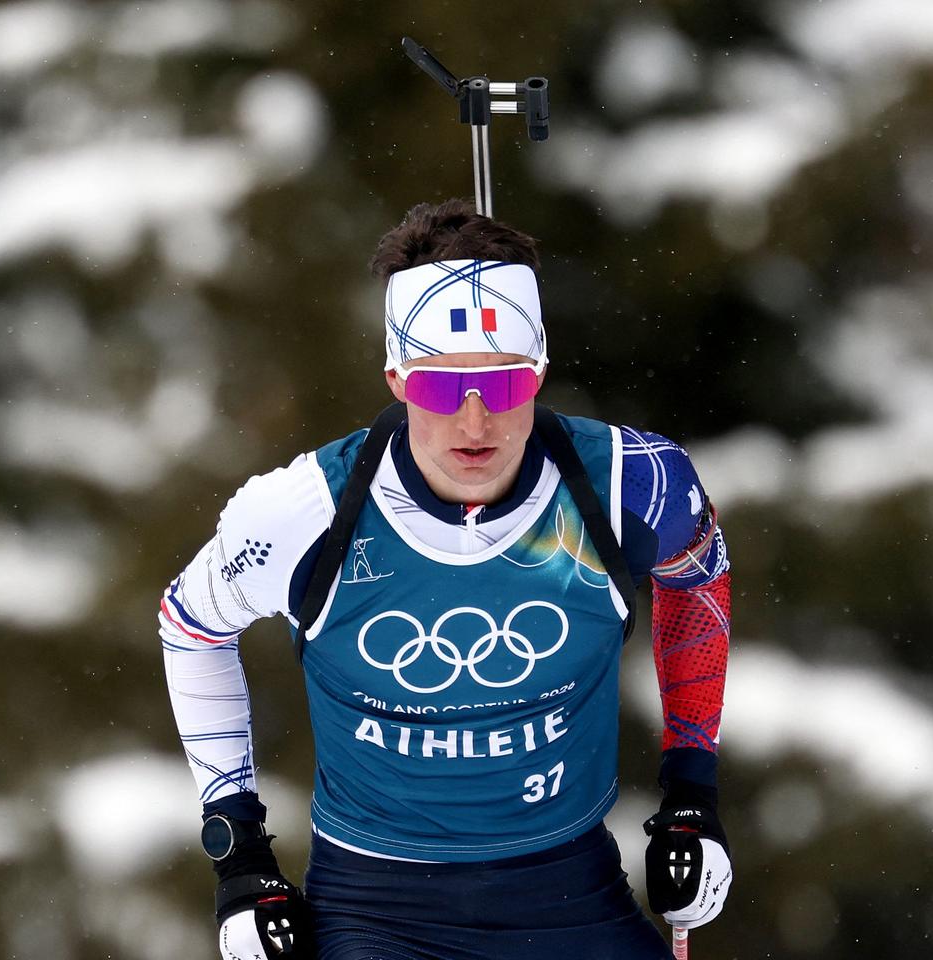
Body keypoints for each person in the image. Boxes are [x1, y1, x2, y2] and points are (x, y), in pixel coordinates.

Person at [159, 199, 733, 960]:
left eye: (503, 384)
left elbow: (697, 584)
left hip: (571, 892)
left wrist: (692, 794)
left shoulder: (633, 482)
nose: (474, 422)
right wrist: (239, 858)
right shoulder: (302, 513)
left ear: (539, 372)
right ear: (397, 379)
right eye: (439, 387)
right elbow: (191, 627)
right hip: (376, 906)